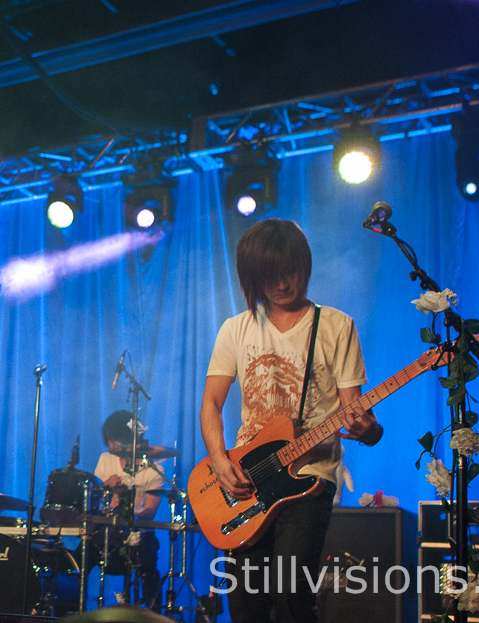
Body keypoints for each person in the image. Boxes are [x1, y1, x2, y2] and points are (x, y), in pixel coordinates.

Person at [199, 218, 382, 623]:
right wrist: (219, 460)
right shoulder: (235, 329)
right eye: (271, 275)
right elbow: (211, 403)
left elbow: (354, 410)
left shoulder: (336, 326)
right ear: (253, 277)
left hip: (309, 477)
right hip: (249, 479)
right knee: (244, 605)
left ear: (306, 265)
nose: (283, 284)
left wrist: (368, 430)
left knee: (291, 598)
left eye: (291, 271)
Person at [91, 410, 165, 610]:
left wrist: (127, 505)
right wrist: (107, 489)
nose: (110, 446)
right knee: (84, 551)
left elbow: (149, 513)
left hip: (138, 531)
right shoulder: (106, 459)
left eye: (114, 440)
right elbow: (96, 502)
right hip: (108, 528)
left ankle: (154, 613)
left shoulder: (154, 469)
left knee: (148, 561)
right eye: (109, 440)